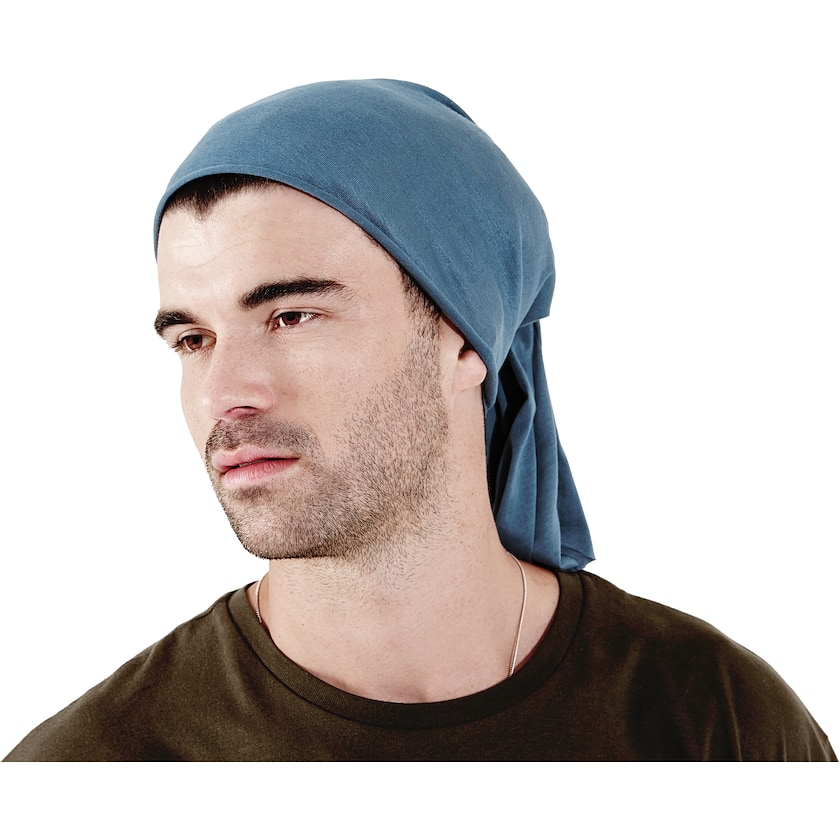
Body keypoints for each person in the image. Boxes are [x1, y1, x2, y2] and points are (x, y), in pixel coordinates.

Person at [4, 79, 835, 761]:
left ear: (465, 336)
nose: (225, 393)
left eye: (292, 316)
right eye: (193, 339)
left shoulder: (715, 723)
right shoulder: (93, 775)